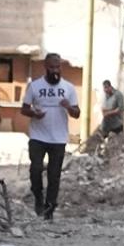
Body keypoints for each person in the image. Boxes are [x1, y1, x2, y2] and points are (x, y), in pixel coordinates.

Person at [21, 53, 81, 220]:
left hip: (59, 139)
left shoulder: (68, 88)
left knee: (54, 175)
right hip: (37, 136)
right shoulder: (35, 86)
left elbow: (77, 113)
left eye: (58, 67)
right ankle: (38, 198)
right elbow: (24, 109)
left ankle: (50, 208)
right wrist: (34, 113)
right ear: (46, 67)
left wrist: (69, 107)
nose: (55, 70)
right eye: (52, 67)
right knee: (36, 169)